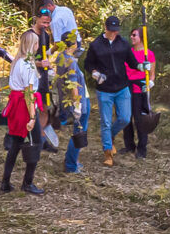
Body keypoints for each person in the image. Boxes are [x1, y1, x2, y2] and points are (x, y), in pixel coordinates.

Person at [83, 15, 143, 167]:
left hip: (122, 87)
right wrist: (95, 74)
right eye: (111, 31)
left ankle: (108, 137)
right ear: (105, 28)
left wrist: (142, 66)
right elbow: (88, 64)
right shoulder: (96, 45)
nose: (114, 33)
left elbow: (132, 61)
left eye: (116, 31)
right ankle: (108, 153)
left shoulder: (123, 43)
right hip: (104, 90)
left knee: (125, 118)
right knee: (106, 122)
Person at [1, 31, 45, 194]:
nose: (38, 45)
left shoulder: (18, 61)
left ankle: (5, 182)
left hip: (16, 104)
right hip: (23, 107)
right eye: (36, 43)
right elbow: (28, 94)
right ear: (32, 44)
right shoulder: (27, 64)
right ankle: (28, 182)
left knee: (16, 144)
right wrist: (32, 117)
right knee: (36, 143)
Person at [23, 9, 57, 150]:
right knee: (29, 110)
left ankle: (41, 139)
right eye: (43, 22)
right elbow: (23, 59)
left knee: (44, 108)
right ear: (36, 19)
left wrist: (49, 68)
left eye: (48, 23)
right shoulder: (28, 36)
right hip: (29, 79)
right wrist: (38, 64)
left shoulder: (45, 35)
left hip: (43, 79)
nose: (46, 25)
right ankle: (21, 138)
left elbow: (45, 56)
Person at [57, 40, 90, 174]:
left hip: (69, 100)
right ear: (73, 45)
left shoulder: (61, 56)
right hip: (79, 101)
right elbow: (73, 83)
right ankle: (71, 165)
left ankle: (72, 161)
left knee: (78, 130)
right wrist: (77, 105)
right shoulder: (71, 61)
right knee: (79, 132)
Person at [122, 27, 155, 159]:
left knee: (140, 119)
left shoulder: (149, 54)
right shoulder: (127, 53)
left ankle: (142, 148)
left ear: (141, 37)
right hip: (126, 87)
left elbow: (152, 74)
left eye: (134, 35)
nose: (131, 37)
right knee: (125, 117)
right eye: (131, 35)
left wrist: (150, 83)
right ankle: (129, 145)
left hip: (140, 89)